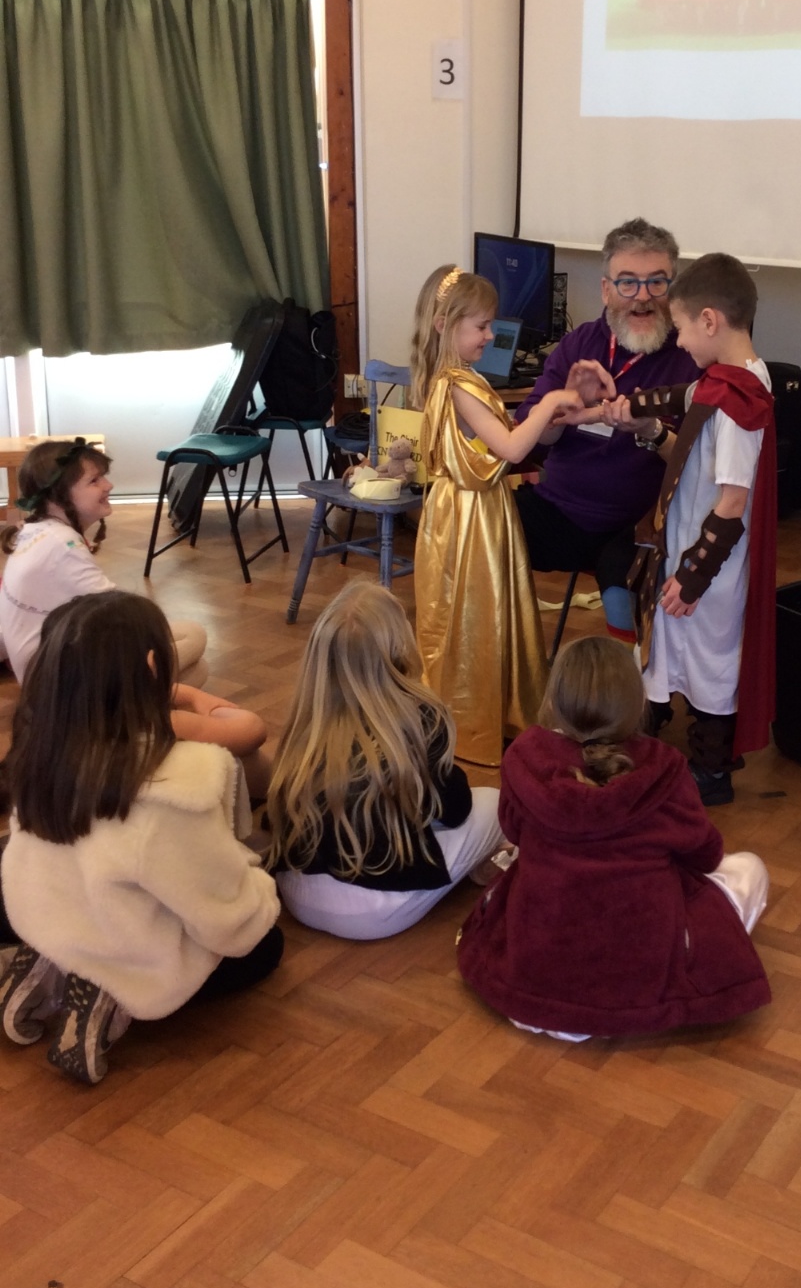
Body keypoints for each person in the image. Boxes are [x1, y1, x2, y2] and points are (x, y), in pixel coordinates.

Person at [0, 592, 282, 1084]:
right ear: (154, 667)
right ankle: (111, 987)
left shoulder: (37, 743)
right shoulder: (181, 779)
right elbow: (224, 917)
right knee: (264, 946)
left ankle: (58, 958)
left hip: (43, 911)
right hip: (128, 941)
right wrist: (260, 891)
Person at [455, 637, 770, 1040]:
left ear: (555, 699)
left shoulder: (524, 757)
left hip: (533, 994)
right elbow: (706, 856)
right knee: (749, 868)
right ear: (635, 703)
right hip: (637, 993)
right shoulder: (665, 766)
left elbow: (514, 831)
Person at [0, 438, 271, 791]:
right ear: (57, 496)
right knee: (191, 647)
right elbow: (125, 621)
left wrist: (189, 696)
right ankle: (136, 710)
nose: (108, 485)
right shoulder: (62, 547)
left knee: (193, 650)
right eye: (94, 480)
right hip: (61, 680)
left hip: (53, 672)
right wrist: (187, 697)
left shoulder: (37, 530)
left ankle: (143, 703)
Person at [610, 253, 777, 807]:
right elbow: (685, 400)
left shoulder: (738, 406)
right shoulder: (732, 382)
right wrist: (630, 412)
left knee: (710, 658)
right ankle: (649, 731)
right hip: (685, 550)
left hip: (709, 569)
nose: (678, 341)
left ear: (709, 321)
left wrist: (693, 576)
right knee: (670, 643)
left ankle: (711, 771)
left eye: (680, 327)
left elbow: (732, 502)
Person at [410, 265, 586, 766]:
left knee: (475, 613)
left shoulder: (457, 381)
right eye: (482, 326)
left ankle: (489, 711)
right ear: (444, 324)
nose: (491, 336)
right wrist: (550, 399)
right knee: (474, 615)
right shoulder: (459, 385)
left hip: (472, 512)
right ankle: (475, 720)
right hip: (469, 519)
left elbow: (512, 438)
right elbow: (510, 447)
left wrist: (564, 414)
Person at [266, 582, 507, 939]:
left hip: (295, 892)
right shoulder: (423, 715)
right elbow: (455, 809)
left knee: (395, 805)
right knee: (495, 802)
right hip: (374, 910)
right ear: (399, 647)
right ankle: (486, 867)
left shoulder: (307, 719)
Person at [513, 219, 701, 646]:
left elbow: (700, 463)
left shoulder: (690, 356)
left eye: (656, 282)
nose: (642, 297)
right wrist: (562, 405)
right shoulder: (578, 344)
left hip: (640, 524)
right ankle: (504, 662)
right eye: (628, 283)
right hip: (560, 511)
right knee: (483, 531)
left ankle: (630, 683)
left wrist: (652, 431)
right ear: (605, 290)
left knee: (622, 579)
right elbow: (533, 441)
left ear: (672, 289)